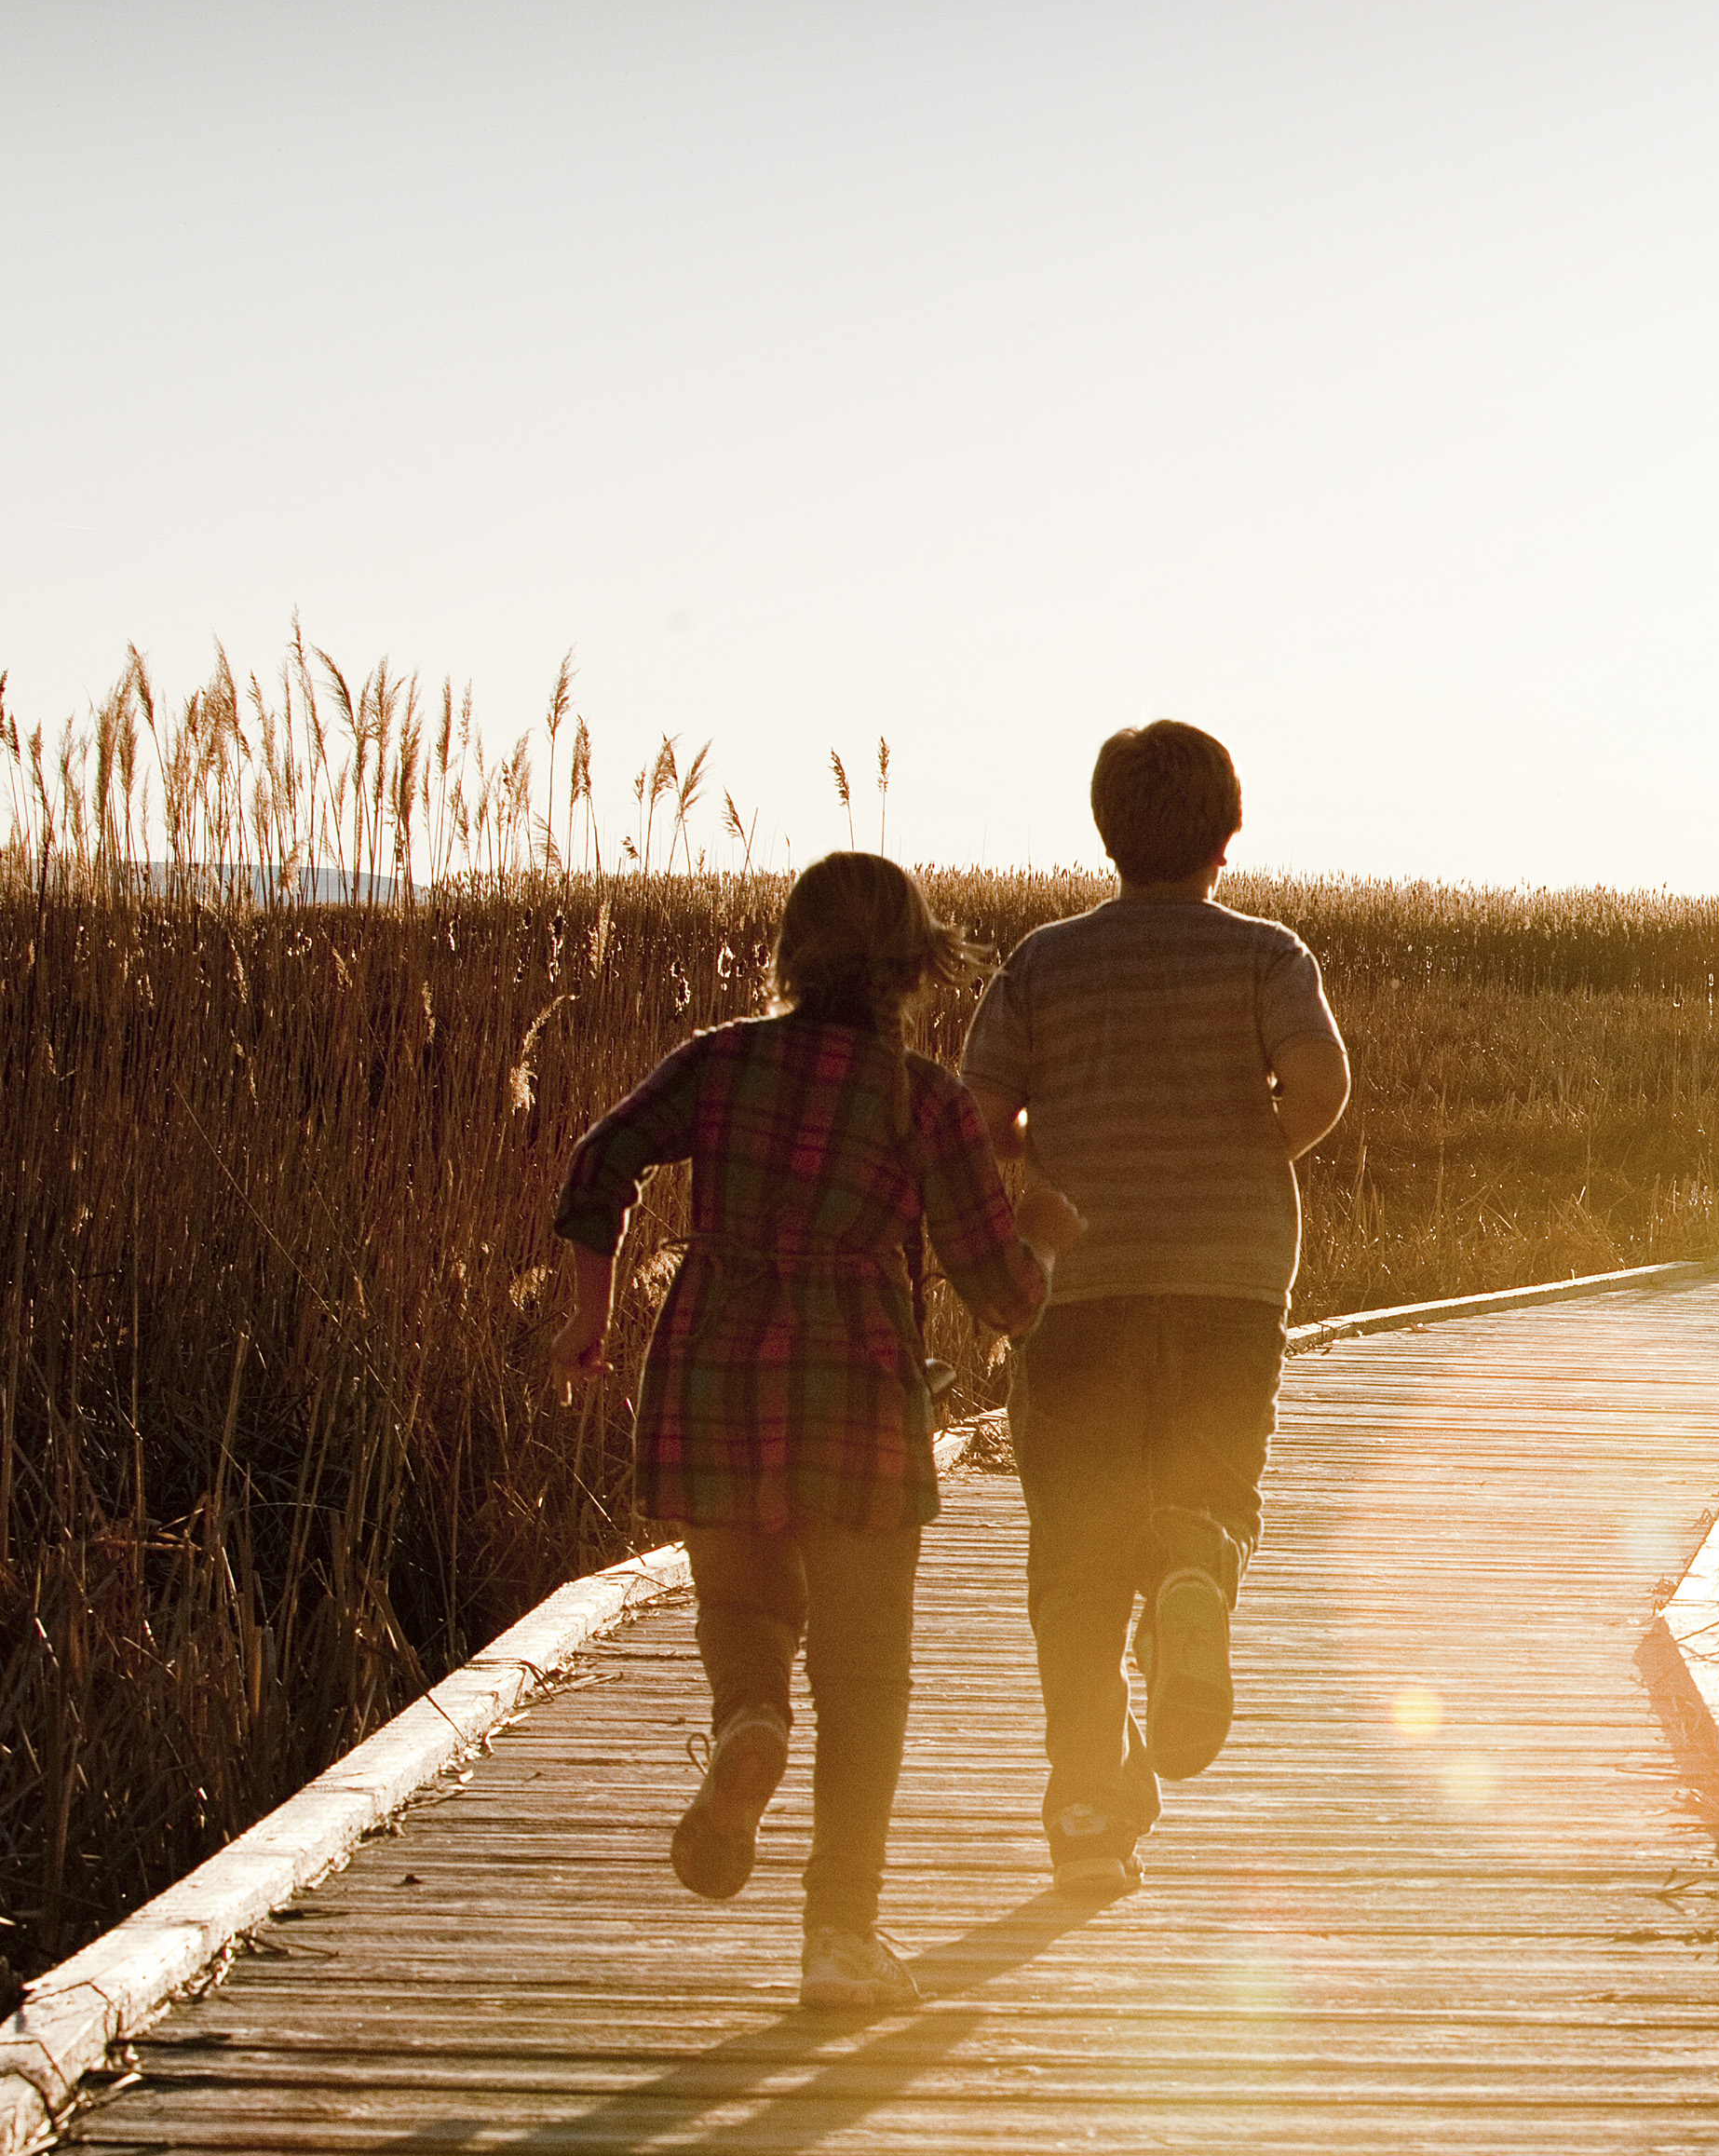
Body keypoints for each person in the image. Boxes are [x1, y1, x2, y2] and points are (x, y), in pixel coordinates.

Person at [548, 852, 1084, 2011]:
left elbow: (601, 1160)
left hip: (710, 1384)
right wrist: (1043, 1228)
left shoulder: (722, 1059)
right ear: (910, 969)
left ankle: (748, 1718)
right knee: (866, 1676)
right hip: (854, 1391)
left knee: (742, 1612)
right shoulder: (924, 1098)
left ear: (792, 953)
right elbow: (1002, 1295)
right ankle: (840, 1933)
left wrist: (591, 1322)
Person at [958, 721, 1348, 1894]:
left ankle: (1087, 1801)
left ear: (1106, 833)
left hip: (1081, 1292)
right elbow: (1322, 1082)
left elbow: (976, 1119)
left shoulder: (1042, 964)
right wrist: (1259, 1144)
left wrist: (1032, 1176)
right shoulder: (1269, 956)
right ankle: (1193, 1569)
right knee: (1212, 1481)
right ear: (1228, 837)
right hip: (1232, 1279)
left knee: (1075, 1547)